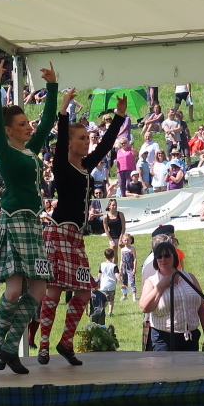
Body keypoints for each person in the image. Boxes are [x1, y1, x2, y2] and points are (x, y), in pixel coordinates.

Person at [0, 60, 58, 375]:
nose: (29, 127)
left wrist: (51, 86)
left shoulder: (32, 151)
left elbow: (49, 118)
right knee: (12, 291)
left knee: (37, 291)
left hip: (33, 226)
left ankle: (9, 347)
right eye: (22, 124)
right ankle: (0, 347)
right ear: (10, 130)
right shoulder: (5, 150)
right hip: (13, 222)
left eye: (28, 123)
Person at [38, 87, 126, 367]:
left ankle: (65, 342)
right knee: (53, 290)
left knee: (85, 292)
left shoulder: (87, 166)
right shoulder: (63, 165)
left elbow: (106, 145)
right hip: (58, 231)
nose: (87, 142)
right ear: (69, 143)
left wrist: (119, 117)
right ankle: (42, 346)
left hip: (75, 236)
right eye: (81, 138)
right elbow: (61, 136)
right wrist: (63, 110)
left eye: (87, 137)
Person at [139, 242, 204, 351]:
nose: (163, 259)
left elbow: (202, 308)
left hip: (191, 338)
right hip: (163, 340)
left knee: (191, 368)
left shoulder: (190, 278)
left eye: (167, 255)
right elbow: (145, 307)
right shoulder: (151, 281)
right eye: (159, 256)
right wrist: (161, 285)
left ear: (174, 256)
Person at [98, 248, 120, 317]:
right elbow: (117, 275)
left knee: (103, 300)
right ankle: (110, 312)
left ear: (104, 257)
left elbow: (99, 275)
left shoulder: (102, 265)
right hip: (111, 285)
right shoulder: (114, 266)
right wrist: (121, 282)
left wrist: (98, 282)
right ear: (113, 256)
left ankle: (101, 310)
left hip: (103, 285)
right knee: (111, 300)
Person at [119, 233, 137, 301]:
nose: (126, 242)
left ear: (131, 240)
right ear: (123, 241)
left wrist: (134, 268)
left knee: (131, 282)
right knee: (124, 282)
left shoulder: (132, 249)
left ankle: (134, 295)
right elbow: (121, 260)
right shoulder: (122, 250)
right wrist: (120, 269)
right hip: (124, 268)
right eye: (125, 240)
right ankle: (124, 295)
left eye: (128, 240)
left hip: (130, 267)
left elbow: (135, 259)